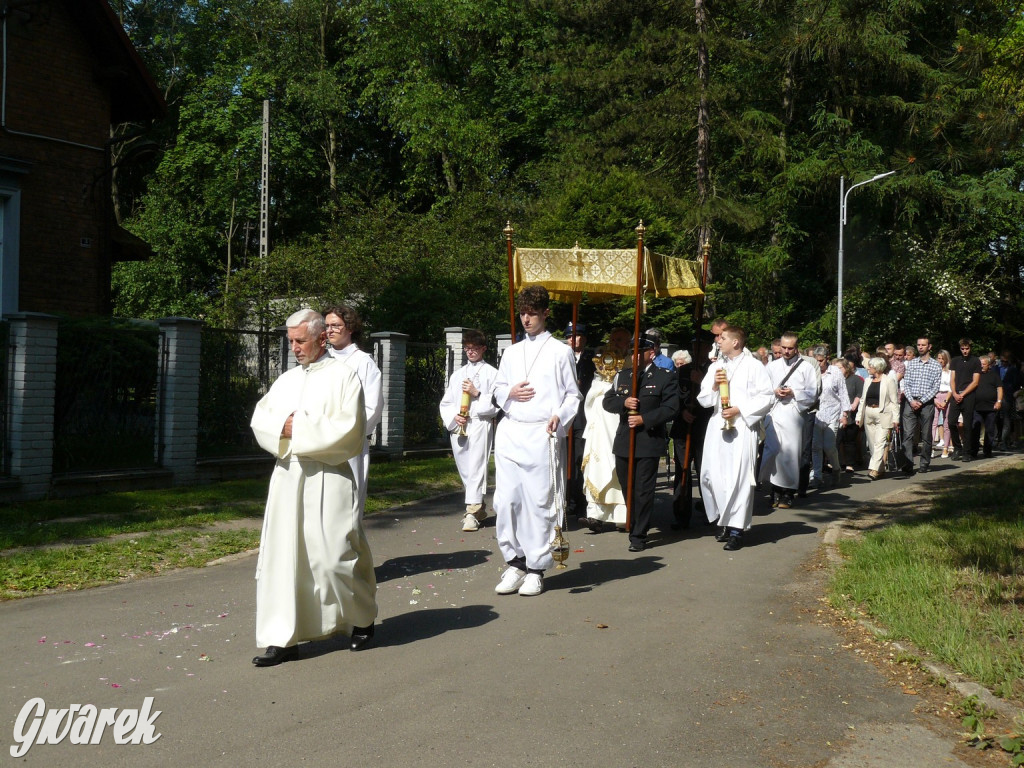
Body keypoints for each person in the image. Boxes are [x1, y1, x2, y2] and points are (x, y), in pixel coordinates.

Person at [250, 309, 377, 666]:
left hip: (329, 474)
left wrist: (295, 428)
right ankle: (282, 638)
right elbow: (262, 418)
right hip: (288, 475)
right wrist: (282, 426)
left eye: (299, 341)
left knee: (335, 555)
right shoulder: (287, 379)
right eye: (290, 341)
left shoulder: (345, 377)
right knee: (283, 557)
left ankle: (362, 618)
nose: (294, 348)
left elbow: (349, 430)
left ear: (322, 339)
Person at [491, 285, 581, 597]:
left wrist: (560, 416)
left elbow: (573, 395)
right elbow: (499, 389)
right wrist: (509, 393)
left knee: (539, 503)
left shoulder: (560, 351)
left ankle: (536, 568)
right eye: (522, 313)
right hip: (511, 431)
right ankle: (515, 561)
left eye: (532, 313)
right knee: (507, 502)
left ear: (545, 313)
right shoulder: (512, 352)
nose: (526, 319)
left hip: (542, 435)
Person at [697, 325, 774, 551]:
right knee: (710, 476)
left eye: (723, 338)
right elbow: (703, 399)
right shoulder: (717, 367)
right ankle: (721, 518)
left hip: (742, 427)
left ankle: (736, 530)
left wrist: (740, 410)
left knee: (739, 477)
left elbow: (767, 397)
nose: (718, 342)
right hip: (717, 427)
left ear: (736, 343)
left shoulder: (754, 366)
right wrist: (713, 385)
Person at [603, 335, 679, 552]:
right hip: (625, 441)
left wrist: (645, 419)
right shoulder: (623, 376)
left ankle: (639, 534)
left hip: (648, 440)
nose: (634, 355)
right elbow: (607, 401)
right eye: (631, 351)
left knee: (643, 490)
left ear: (650, 353)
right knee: (628, 488)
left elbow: (671, 408)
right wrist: (623, 402)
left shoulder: (665, 377)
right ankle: (634, 521)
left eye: (639, 351)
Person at [323, 304, 384, 509]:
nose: (330, 330)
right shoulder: (321, 359)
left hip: (349, 442)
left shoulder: (363, 362)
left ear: (350, 328)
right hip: (319, 439)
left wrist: (349, 432)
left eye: (336, 325)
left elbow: (372, 405)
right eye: (327, 326)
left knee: (348, 501)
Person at [439, 329, 498, 532]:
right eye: (467, 348)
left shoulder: (492, 374)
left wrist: (477, 393)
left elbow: (497, 404)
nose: (470, 352)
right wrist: (454, 416)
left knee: (476, 466)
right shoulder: (458, 375)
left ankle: (471, 512)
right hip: (460, 425)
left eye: (474, 348)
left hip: (480, 423)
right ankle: (478, 507)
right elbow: (446, 403)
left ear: (483, 349)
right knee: (465, 468)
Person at [759, 331, 817, 508]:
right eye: (783, 347)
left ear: (796, 347)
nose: (786, 351)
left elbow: (813, 393)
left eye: (790, 348)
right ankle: (774, 489)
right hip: (775, 411)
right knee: (774, 451)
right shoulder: (772, 366)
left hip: (793, 412)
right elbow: (763, 389)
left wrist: (794, 392)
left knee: (790, 453)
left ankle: (787, 493)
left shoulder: (806, 367)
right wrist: (775, 391)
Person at [580, 336, 629, 531]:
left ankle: (622, 516)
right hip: (599, 431)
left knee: (618, 467)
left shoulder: (628, 373)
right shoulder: (597, 380)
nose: (616, 346)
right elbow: (589, 403)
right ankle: (595, 515)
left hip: (617, 427)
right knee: (597, 465)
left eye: (620, 343)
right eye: (613, 344)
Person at [565, 322, 596, 525]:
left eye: (577, 336)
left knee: (579, 459)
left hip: (581, 415)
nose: (572, 340)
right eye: (569, 336)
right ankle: (566, 500)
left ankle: (580, 502)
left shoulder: (591, 359)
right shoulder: (560, 356)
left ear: (584, 338)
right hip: (563, 416)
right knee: (564, 461)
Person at [899, 336, 942, 474]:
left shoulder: (935, 365)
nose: (920, 347)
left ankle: (924, 463)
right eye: (918, 345)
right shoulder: (911, 364)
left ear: (929, 346)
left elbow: (935, 387)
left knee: (926, 436)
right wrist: (911, 400)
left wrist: (922, 401)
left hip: (927, 403)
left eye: (923, 345)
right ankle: (908, 463)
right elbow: (907, 383)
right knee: (907, 435)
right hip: (910, 402)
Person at [810, 351, 850, 488]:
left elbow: (843, 392)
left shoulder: (835, 372)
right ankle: (817, 476)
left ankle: (836, 468)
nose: (818, 364)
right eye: (816, 361)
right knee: (816, 447)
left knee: (829, 446)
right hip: (815, 414)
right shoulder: (810, 371)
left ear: (827, 359)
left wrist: (844, 414)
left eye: (821, 361)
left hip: (832, 413)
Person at [855, 357, 899, 480]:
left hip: (883, 414)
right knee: (873, 444)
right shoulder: (868, 380)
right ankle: (880, 469)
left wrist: (896, 419)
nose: (868, 368)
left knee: (880, 443)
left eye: (871, 366)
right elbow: (863, 399)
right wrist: (859, 416)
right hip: (869, 413)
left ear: (878, 368)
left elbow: (894, 401)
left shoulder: (888, 380)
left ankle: (873, 469)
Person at [947, 339, 982, 462]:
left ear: (970, 348)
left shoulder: (975, 361)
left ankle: (967, 451)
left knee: (967, 424)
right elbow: (952, 379)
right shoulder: (955, 361)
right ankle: (957, 447)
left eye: (967, 348)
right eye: (963, 349)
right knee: (951, 422)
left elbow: (975, 381)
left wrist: (964, 393)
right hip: (956, 394)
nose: (965, 351)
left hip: (968, 396)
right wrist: (955, 393)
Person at [972, 355, 1004, 458]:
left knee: (990, 430)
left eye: (984, 364)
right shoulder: (975, 375)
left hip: (991, 407)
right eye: (980, 364)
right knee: (975, 428)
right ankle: (974, 451)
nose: (981, 366)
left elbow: (999, 388)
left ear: (989, 365)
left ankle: (987, 450)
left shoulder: (994, 375)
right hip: (976, 407)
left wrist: (999, 401)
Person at [932, 349, 952, 458]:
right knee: (933, 423)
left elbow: (951, 388)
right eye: (939, 358)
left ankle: (946, 448)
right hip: (935, 396)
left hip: (946, 396)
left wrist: (945, 401)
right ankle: (930, 448)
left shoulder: (949, 372)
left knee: (946, 423)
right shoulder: (933, 371)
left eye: (943, 359)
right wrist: (935, 400)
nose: (940, 361)